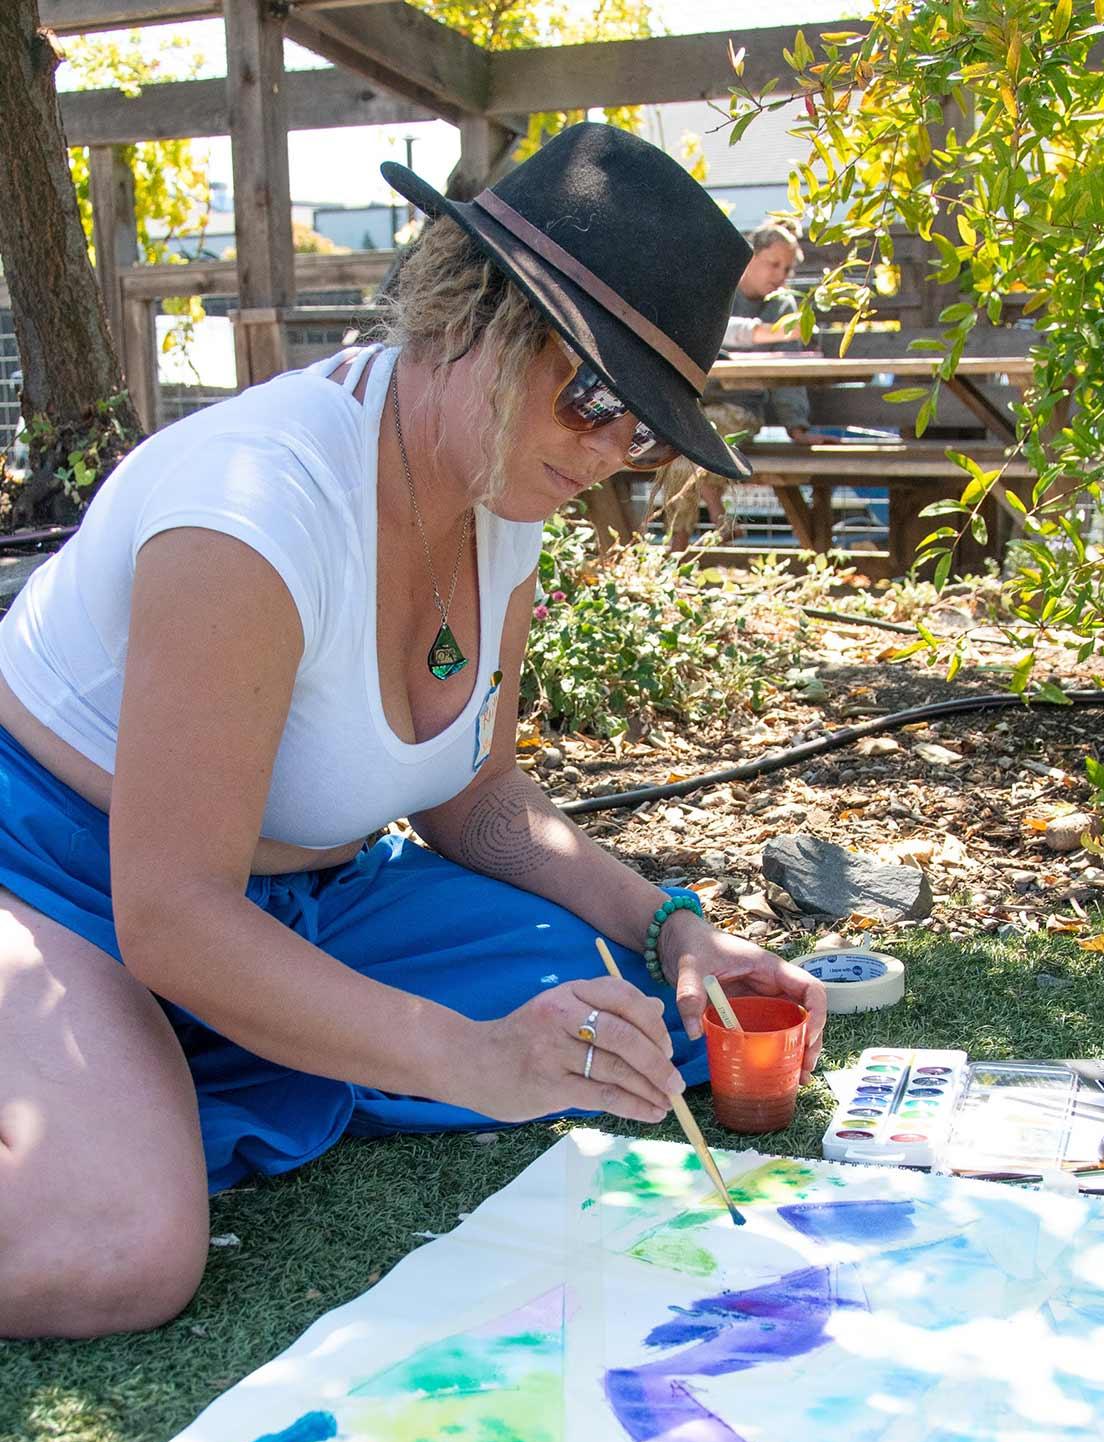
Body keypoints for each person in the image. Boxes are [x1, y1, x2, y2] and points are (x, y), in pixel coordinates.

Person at [0, 124, 826, 1342]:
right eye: (595, 396)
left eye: (643, 429)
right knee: (125, 1247)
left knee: (632, 1021)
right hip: (61, 879)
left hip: (310, 888)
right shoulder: (251, 510)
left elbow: (474, 795)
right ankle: (152, 1072)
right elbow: (171, 913)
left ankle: (202, 1059)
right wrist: (464, 1058)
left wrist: (673, 922)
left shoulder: (503, 488)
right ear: (470, 316)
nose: (606, 454)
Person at [660, 223, 832, 551]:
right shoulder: (719, 294)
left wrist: (796, 426)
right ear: (750, 258)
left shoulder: (782, 307)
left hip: (742, 407)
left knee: (694, 445)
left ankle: (678, 544)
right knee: (682, 440)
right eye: (773, 263)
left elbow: (789, 372)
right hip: (698, 401)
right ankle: (714, 517)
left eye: (788, 268)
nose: (780, 275)